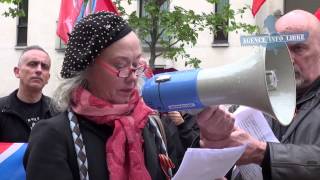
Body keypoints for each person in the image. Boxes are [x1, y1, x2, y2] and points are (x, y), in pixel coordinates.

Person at [24, 12, 235, 180]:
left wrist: (212, 141)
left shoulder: (151, 126)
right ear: (86, 68)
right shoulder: (53, 136)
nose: (133, 77)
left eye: (136, 65)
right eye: (121, 66)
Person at [206, 10, 320, 180]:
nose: (287, 58)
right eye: (279, 48)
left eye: (298, 48)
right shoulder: (253, 99)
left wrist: (264, 154)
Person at [0, 45, 55, 142]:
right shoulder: (2, 109)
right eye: (33, 64)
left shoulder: (58, 111)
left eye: (44, 66)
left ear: (48, 77)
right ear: (17, 72)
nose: (39, 70)